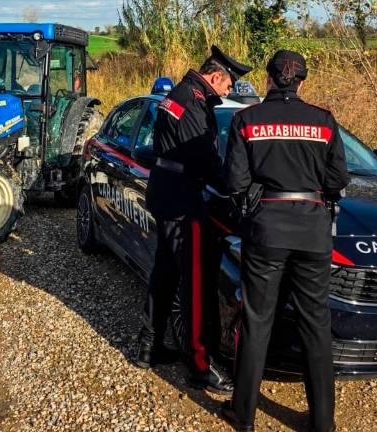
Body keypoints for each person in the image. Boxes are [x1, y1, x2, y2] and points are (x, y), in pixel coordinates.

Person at [219, 50, 350, 431]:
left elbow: (234, 183)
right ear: (302, 82)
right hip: (312, 232)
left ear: (269, 79)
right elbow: (337, 179)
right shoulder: (324, 121)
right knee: (316, 325)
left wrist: (261, 189)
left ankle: (242, 415)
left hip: (266, 231)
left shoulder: (247, 120)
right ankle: (323, 421)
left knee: (257, 321)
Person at [133, 46, 251, 395]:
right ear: (216, 77)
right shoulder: (194, 103)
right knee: (196, 282)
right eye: (228, 85)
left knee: (166, 274)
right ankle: (200, 365)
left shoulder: (181, 94)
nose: (228, 92)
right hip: (183, 200)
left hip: (167, 192)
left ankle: (148, 346)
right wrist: (235, 187)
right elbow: (206, 161)